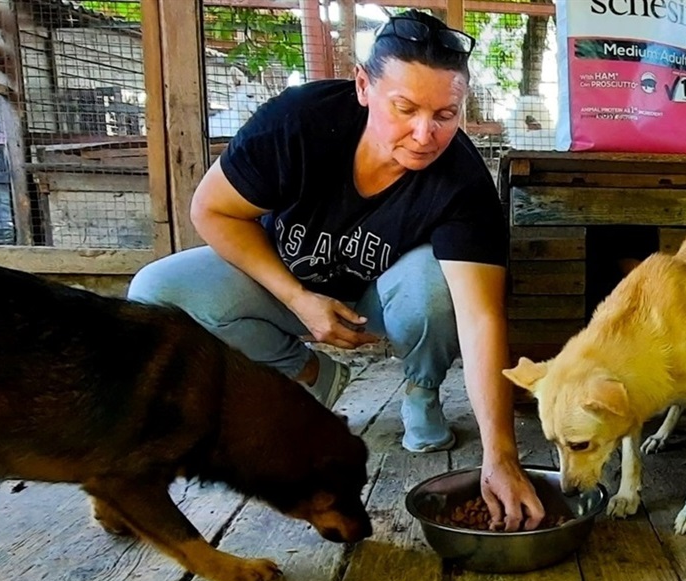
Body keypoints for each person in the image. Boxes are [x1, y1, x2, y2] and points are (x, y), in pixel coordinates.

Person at [127, 10, 546, 530]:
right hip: (285, 283)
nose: (424, 133)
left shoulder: (462, 181)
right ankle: (313, 376)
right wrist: (297, 297)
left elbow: (481, 318)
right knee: (155, 290)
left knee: (440, 287)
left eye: (445, 113)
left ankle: (422, 389)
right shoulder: (297, 122)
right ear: (364, 86)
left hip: (381, 302)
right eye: (405, 107)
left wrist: (501, 455)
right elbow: (209, 210)